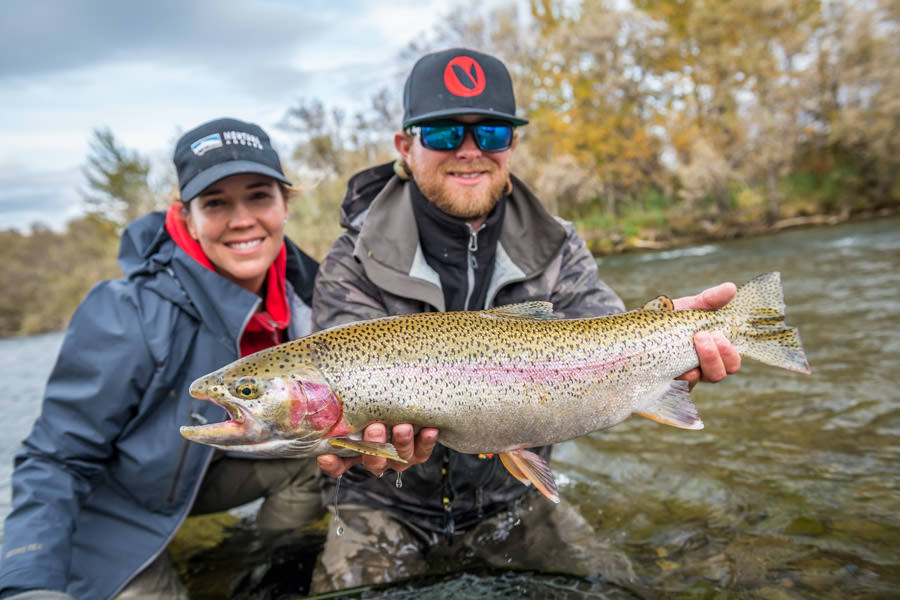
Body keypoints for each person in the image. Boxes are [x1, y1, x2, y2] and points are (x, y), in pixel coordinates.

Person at [309, 48, 742, 592]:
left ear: (511, 144)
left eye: (490, 135)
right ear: (405, 145)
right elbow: (332, 402)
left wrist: (666, 344)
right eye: (444, 135)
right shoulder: (351, 258)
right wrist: (349, 449)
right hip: (385, 504)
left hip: (512, 497)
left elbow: (607, 337)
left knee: (620, 589)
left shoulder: (558, 244)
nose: (470, 152)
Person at [0, 118, 325, 600]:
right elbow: (55, 458)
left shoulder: (314, 291)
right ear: (187, 217)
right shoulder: (124, 311)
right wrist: (27, 581)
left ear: (284, 205)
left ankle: (257, 562)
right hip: (118, 511)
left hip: (209, 468)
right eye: (216, 203)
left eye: (258, 195)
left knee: (320, 454)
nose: (241, 219)